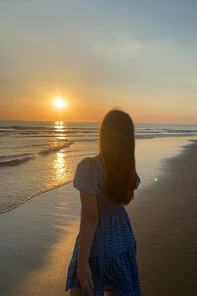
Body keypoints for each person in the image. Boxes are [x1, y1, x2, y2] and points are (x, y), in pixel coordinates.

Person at [65, 109, 141, 296]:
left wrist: (82, 264)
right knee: (119, 289)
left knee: (83, 286)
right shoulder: (128, 170)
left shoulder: (90, 167)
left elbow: (91, 217)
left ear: (104, 135)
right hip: (122, 236)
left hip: (97, 242)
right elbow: (124, 199)